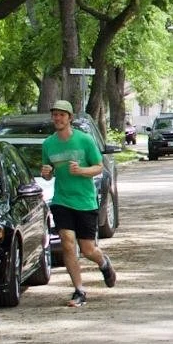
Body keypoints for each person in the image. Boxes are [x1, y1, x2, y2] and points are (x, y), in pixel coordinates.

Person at [39, 99, 115, 307]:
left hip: (85, 201)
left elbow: (99, 167)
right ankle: (79, 290)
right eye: (55, 114)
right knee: (67, 242)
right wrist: (46, 173)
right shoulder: (48, 144)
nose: (58, 118)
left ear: (70, 118)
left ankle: (104, 263)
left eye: (62, 115)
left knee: (88, 249)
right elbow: (48, 172)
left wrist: (82, 171)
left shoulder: (84, 141)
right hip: (62, 200)